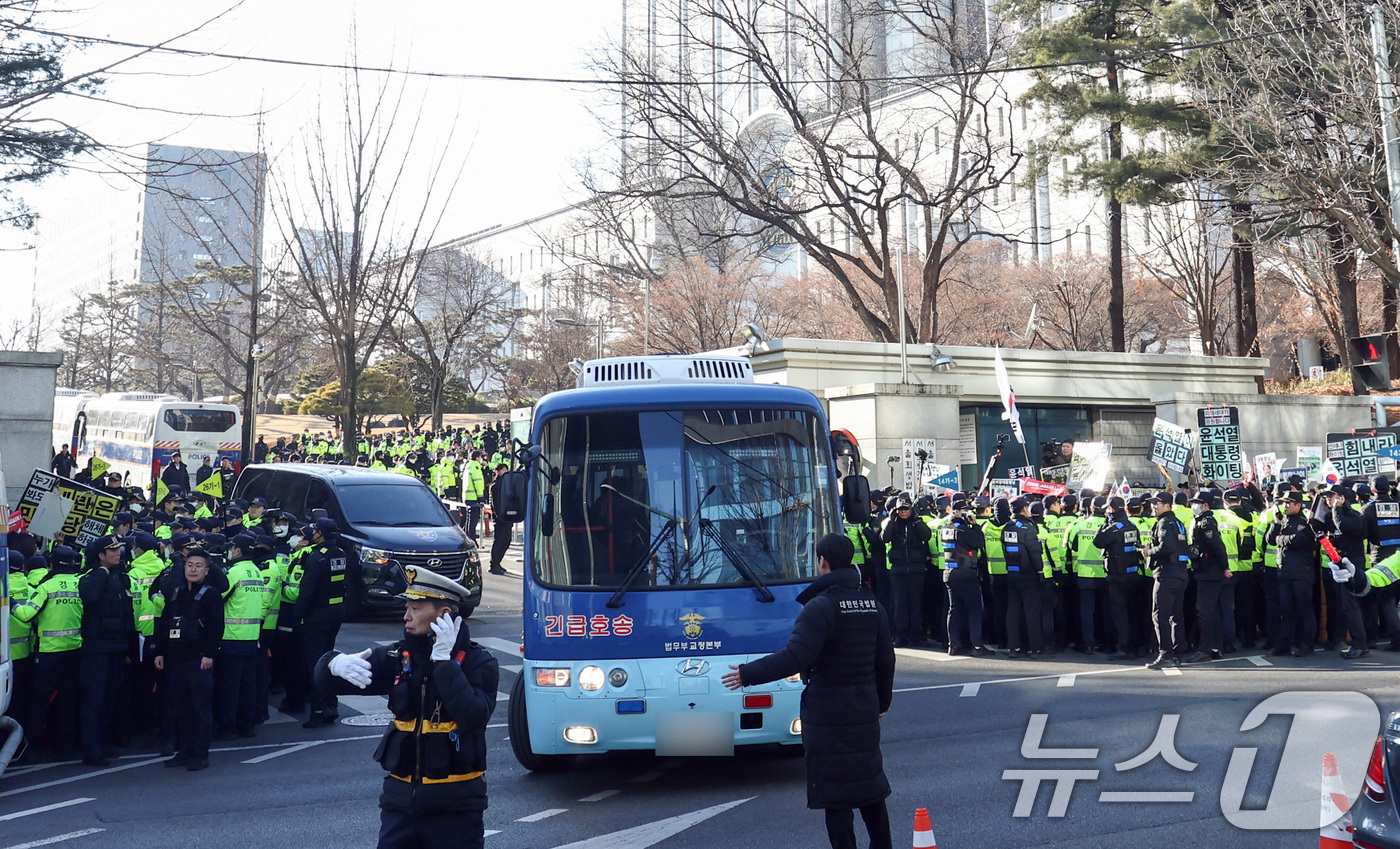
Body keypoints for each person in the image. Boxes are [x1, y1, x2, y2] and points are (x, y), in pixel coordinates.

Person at [722, 534, 895, 849]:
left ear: (822, 562)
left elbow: (796, 657)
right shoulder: (872, 603)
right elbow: (885, 658)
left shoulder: (821, 607)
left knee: (837, 795)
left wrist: (747, 674)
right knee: (869, 786)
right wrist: (881, 702)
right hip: (864, 707)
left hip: (828, 710)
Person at [317, 567, 499, 849]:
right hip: (400, 805)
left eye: (415, 608)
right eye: (406, 607)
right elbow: (326, 683)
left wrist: (445, 664)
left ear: (444, 614)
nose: (406, 616)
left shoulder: (478, 662)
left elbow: (474, 715)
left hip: (455, 808)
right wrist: (331, 664)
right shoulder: (398, 656)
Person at [152, 547, 224, 771]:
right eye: (190, 565)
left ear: (206, 570)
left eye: (198, 566)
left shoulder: (211, 595)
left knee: (200, 708)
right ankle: (185, 750)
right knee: (179, 707)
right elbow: (165, 624)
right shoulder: (177, 593)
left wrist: (209, 654)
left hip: (199, 660)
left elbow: (216, 627)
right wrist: (160, 652)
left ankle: (200, 754)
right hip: (176, 659)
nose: (193, 569)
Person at [294, 517, 351, 728]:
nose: (313, 533)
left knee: (315, 665)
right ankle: (331, 705)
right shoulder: (341, 554)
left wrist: (296, 618)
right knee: (328, 661)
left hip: (316, 617)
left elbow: (306, 592)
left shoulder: (316, 557)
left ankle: (319, 710)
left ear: (319, 534)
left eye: (315, 530)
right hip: (335, 613)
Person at [1267, 490, 1319, 657]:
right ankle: (1283, 644)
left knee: (1304, 610)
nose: (1285, 505)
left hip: (1302, 574)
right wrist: (1276, 524)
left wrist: (1281, 539)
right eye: (1284, 502)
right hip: (1285, 573)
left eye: (1289, 503)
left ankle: (1306, 644)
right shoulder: (1283, 522)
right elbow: (1270, 539)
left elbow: (1298, 541)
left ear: (1298, 505)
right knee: (1286, 611)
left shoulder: (1305, 523)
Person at [1142, 492, 1190, 669]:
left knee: (1160, 614)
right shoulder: (1178, 522)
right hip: (1180, 573)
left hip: (1167, 573)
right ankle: (1177, 653)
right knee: (1176, 615)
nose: (1154, 506)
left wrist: (1149, 552)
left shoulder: (1164, 522)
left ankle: (1165, 654)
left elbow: (1166, 546)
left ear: (1168, 506)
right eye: (1153, 503)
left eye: (1158, 503)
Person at [880, 494, 932, 647]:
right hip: (898, 569)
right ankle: (901, 635)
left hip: (916, 569)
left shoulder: (916, 522)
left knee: (916, 604)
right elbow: (884, 538)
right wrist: (890, 519)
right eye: (900, 509)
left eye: (906, 509)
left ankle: (916, 634)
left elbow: (926, 536)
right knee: (900, 605)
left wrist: (916, 519)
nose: (903, 512)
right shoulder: (893, 523)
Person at [487, 462, 513, 575]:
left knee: (506, 541)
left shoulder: (506, 484)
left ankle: (498, 562)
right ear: (498, 471)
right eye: (504, 471)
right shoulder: (496, 485)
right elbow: (495, 503)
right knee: (499, 540)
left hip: (507, 517)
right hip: (500, 518)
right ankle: (494, 564)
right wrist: (499, 516)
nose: (506, 473)